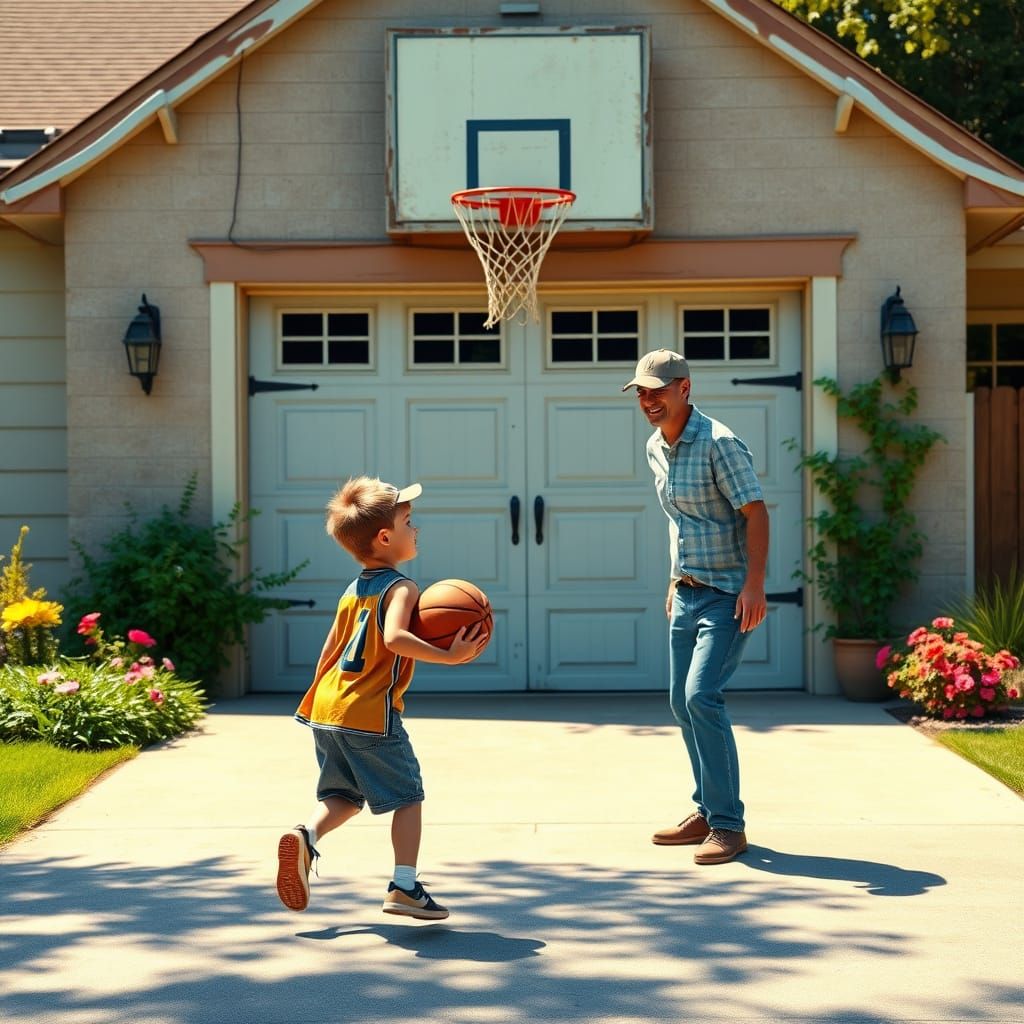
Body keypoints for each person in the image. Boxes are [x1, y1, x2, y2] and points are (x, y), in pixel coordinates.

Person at [276, 476, 487, 919]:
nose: (416, 528)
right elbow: (395, 638)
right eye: (409, 521)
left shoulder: (353, 590)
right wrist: (448, 656)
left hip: (328, 710)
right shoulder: (402, 587)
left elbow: (328, 652)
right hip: (370, 714)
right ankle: (404, 887)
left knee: (345, 797)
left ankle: (306, 838)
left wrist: (319, 704)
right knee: (408, 795)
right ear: (386, 537)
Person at [623, 350, 768, 865]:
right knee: (680, 704)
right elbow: (681, 521)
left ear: (684, 387)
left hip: (728, 593)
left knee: (702, 696)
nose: (647, 400)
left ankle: (730, 826)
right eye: (640, 392)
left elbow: (755, 512)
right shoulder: (655, 446)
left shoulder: (720, 444)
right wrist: (672, 579)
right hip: (686, 592)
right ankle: (707, 810)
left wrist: (755, 585)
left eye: (656, 390)